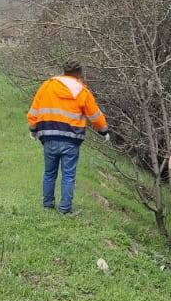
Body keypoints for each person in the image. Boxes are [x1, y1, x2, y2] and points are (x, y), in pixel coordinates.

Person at [25, 63, 112, 215]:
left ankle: (47, 205)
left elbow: (34, 109)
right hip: (71, 138)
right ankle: (65, 210)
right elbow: (95, 115)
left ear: (64, 72)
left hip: (49, 136)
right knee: (68, 175)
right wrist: (104, 131)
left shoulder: (47, 86)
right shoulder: (82, 91)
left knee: (49, 172)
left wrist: (33, 129)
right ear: (80, 74)